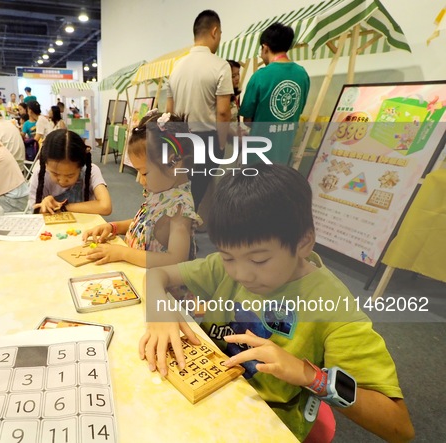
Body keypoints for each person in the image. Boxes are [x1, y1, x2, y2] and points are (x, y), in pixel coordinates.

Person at [139, 164, 415, 443]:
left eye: (259, 260)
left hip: (265, 420)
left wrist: (311, 376)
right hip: (207, 389)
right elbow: (156, 274)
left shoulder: (333, 308)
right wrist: (159, 310)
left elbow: (399, 426)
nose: (242, 274)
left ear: (303, 243)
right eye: (227, 257)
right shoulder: (227, 266)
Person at [83, 111, 200, 267]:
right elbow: (146, 224)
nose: (139, 180)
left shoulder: (180, 207)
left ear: (173, 163)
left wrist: (122, 253)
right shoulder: (161, 191)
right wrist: (114, 227)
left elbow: (176, 260)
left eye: (144, 173)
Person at [166, 9, 233, 209]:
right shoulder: (220, 66)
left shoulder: (176, 66)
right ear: (214, 31)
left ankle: (178, 233)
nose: (219, 38)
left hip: (179, 139)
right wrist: (221, 145)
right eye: (220, 34)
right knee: (195, 195)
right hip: (206, 140)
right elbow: (223, 112)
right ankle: (186, 235)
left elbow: (169, 111)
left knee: (178, 191)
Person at [239, 22, 310, 165]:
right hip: (284, 152)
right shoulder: (302, 74)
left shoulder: (260, 76)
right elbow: (298, 111)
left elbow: (247, 119)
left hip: (258, 153)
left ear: (265, 47)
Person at [29, 129, 111, 215]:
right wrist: (44, 206)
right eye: (55, 174)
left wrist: (63, 207)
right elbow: (35, 210)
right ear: (45, 164)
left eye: (70, 175)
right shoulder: (40, 173)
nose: (62, 181)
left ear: (81, 166)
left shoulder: (91, 170)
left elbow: (105, 207)